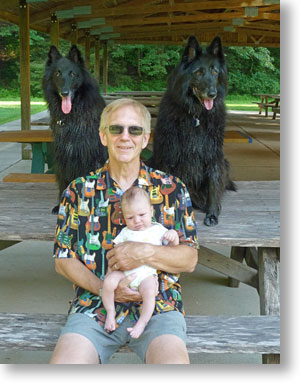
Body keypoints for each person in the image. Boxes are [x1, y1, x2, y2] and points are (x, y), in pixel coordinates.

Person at [51, 98, 199, 364]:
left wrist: (144, 252)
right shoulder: (77, 191)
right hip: (94, 306)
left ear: (145, 139)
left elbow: (189, 259)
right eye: (116, 129)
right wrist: (103, 288)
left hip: (159, 306)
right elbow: (63, 260)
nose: (125, 137)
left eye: (135, 130)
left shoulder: (172, 189)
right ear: (103, 136)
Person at [103, 186, 179, 339]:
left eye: (142, 215)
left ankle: (142, 323)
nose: (137, 221)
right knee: (107, 283)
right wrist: (109, 275)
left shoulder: (158, 230)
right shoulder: (125, 232)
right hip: (124, 273)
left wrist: (173, 237)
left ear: (151, 211)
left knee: (150, 292)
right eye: (130, 218)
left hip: (146, 274)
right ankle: (110, 313)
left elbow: (172, 252)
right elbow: (115, 256)